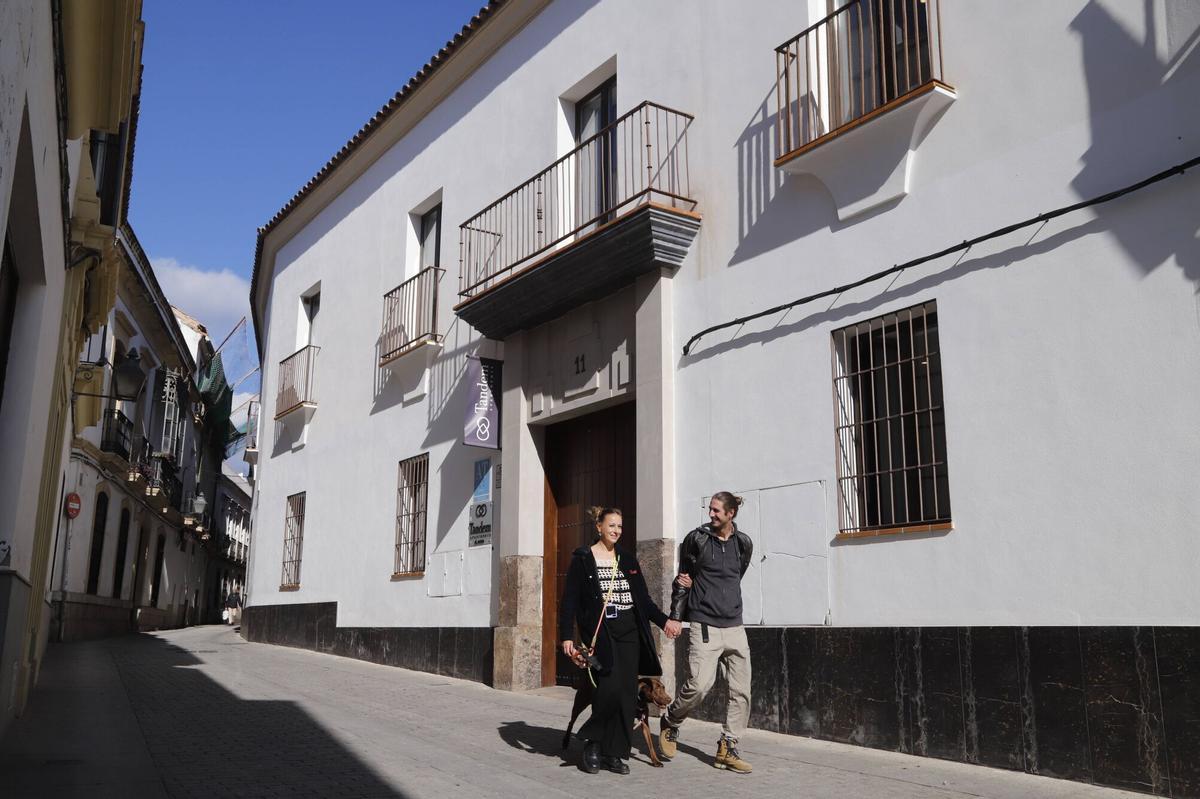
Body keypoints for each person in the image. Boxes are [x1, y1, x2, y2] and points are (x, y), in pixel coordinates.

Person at [560, 507, 682, 774]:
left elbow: (644, 602)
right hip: (602, 632)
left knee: (627, 695)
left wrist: (665, 622)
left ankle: (614, 753)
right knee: (609, 689)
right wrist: (566, 636)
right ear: (599, 527)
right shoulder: (583, 558)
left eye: (620, 527)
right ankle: (593, 743)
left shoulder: (627, 560)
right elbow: (569, 600)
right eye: (611, 525)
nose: (616, 531)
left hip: (629, 631)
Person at [659, 491, 754, 774]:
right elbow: (682, 580)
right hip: (704, 625)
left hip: (735, 625)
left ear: (731, 514)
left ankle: (728, 745)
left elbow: (737, 575)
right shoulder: (696, 539)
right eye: (710, 510)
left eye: (716, 511)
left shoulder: (743, 543)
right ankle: (671, 721)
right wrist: (676, 616)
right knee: (700, 685)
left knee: (741, 692)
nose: (710, 514)